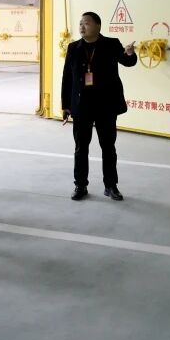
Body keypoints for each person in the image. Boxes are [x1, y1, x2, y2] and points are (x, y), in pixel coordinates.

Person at [61, 11, 137, 201]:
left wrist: (130, 53)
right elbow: (67, 77)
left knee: (108, 147)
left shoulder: (111, 44)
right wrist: (66, 105)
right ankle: (80, 185)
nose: (82, 26)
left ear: (97, 26)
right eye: (80, 23)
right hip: (82, 106)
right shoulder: (74, 47)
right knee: (81, 148)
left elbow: (127, 62)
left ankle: (111, 186)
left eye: (86, 23)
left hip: (106, 105)